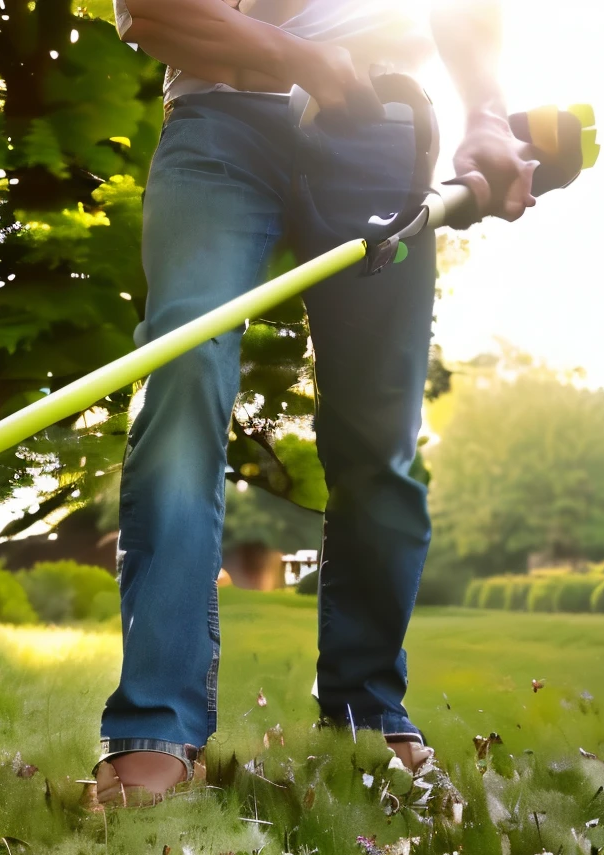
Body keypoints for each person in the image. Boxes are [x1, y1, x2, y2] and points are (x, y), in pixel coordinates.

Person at [93, 0, 537, 804]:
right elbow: (151, 10)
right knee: (183, 380)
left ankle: (369, 708)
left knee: (378, 432)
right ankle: (157, 721)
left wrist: (486, 114)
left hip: (380, 128)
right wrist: (300, 59)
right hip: (218, 122)